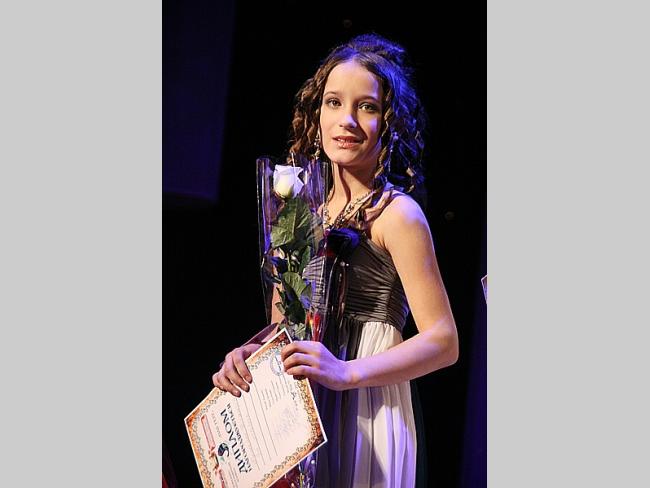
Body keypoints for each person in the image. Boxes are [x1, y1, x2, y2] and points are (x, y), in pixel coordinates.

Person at [212, 33, 458, 488]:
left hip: (367, 406)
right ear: (317, 113)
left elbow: (444, 341)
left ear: (389, 122)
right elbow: (285, 329)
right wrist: (250, 355)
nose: (346, 120)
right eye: (333, 102)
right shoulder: (297, 212)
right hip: (301, 407)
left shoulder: (397, 214)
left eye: (367, 107)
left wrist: (346, 372)